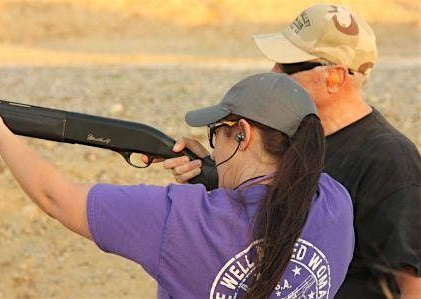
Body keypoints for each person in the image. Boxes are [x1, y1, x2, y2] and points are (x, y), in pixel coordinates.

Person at [0, 73, 354, 298]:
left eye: (215, 132)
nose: (210, 143)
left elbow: (55, 198)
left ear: (243, 134)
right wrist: (211, 175)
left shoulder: (180, 222)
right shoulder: (335, 202)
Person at [162, 4, 421, 298]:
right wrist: (212, 167)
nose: (273, 72)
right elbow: (264, 205)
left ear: (334, 77)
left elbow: (412, 283)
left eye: (288, 66)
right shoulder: (288, 135)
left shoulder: (390, 160)